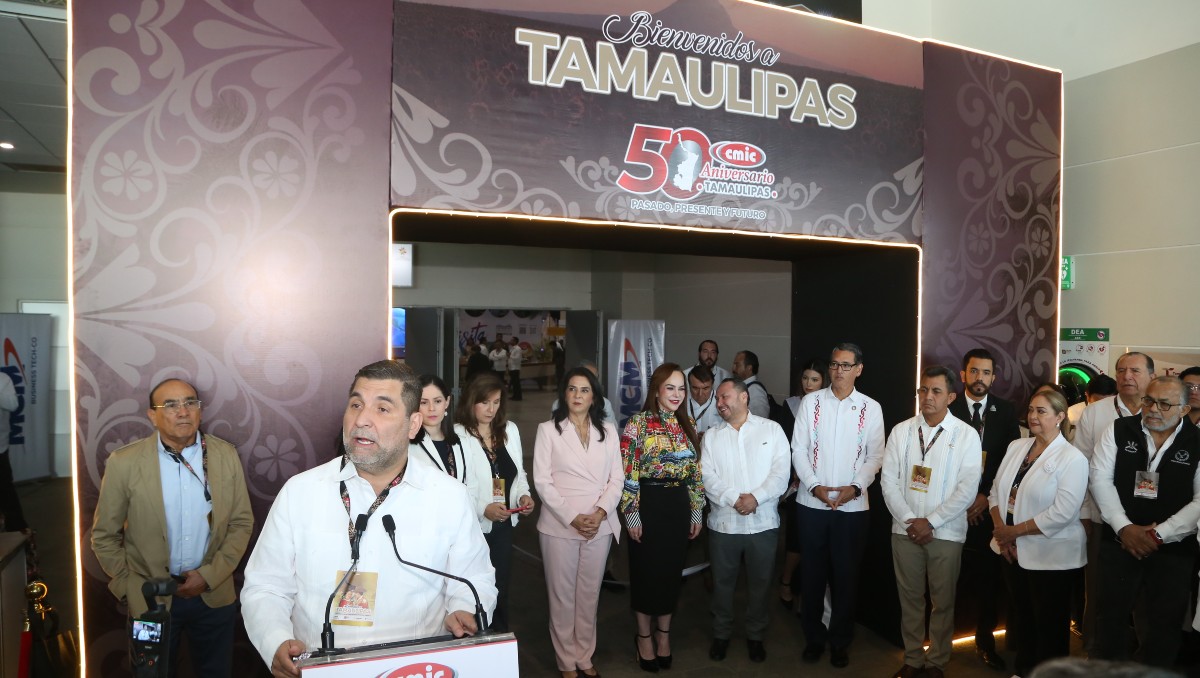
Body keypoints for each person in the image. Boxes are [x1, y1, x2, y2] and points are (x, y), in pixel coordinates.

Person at [242, 360, 496, 677]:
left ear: (413, 424)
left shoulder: (448, 496)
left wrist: (464, 609)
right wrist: (275, 640)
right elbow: (266, 588)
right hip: (319, 669)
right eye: (356, 404)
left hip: (414, 669)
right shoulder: (301, 493)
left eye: (382, 409)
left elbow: (475, 579)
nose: (362, 419)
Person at [92, 377, 253, 677]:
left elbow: (242, 523)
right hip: (150, 600)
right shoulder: (124, 463)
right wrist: (130, 586)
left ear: (200, 411)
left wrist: (208, 576)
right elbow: (103, 536)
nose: (183, 411)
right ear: (152, 415)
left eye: (190, 403)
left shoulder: (224, 455)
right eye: (170, 405)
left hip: (213, 595)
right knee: (150, 674)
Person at [1090, 376, 1199, 667]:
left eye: (1165, 404)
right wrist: (1124, 527)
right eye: (1148, 400)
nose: (1153, 409)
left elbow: (1199, 502)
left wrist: (1158, 535)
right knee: (1109, 619)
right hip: (1119, 543)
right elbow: (1099, 478)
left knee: (1163, 626)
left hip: (1173, 551)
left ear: (1184, 410)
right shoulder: (1118, 430)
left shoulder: (1197, 441)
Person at [880, 366, 982, 678]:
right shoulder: (902, 431)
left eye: (936, 391)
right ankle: (913, 658)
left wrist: (932, 522)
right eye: (923, 390)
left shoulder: (966, 435)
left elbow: (967, 489)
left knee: (943, 601)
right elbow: (888, 482)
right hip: (905, 530)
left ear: (951, 396)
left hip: (946, 533)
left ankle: (937, 661)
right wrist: (912, 521)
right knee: (910, 599)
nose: (927, 396)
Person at [791, 342, 885, 668]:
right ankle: (814, 639)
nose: (838, 371)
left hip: (852, 508)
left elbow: (876, 456)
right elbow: (798, 450)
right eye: (834, 365)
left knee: (846, 577)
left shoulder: (870, 408)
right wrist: (814, 486)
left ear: (859, 369)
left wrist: (855, 488)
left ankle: (840, 641)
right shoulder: (811, 402)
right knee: (813, 576)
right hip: (811, 504)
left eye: (846, 365)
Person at [989, 389, 1088, 677]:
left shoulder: (1073, 459)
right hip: (1011, 549)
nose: (1033, 416)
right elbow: (996, 492)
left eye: (1041, 411)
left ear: (1060, 417)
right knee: (1023, 618)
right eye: (1031, 409)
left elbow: (1062, 512)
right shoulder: (1016, 447)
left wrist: (1012, 533)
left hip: (1052, 555)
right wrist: (1001, 533)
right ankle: (1024, 669)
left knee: (1050, 625)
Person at [533, 367, 624, 678]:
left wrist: (599, 513)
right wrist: (573, 518)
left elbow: (617, 479)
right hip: (561, 524)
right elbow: (542, 482)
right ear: (564, 394)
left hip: (599, 523)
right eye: (571, 389)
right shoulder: (549, 430)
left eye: (584, 390)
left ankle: (584, 656)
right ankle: (565, 661)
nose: (577, 396)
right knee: (562, 597)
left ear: (594, 396)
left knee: (589, 594)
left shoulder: (609, 431)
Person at [620, 362, 705, 672]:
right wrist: (631, 515)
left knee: (671, 576)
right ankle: (643, 637)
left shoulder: (689, 424)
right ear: (656, 390)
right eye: (670, 387)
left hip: (678, 506)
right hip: (647, 505)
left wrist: (696, 510)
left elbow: (695, 473)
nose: (677, 394)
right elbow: (628, 474)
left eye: (681, 388)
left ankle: (664, 636)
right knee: (645, 575)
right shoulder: (637, 424)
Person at [702, 378, 789, 663]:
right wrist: (734, 498)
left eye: (724, 397)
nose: (719, 403)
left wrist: (755, 497)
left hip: (762, 524)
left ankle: (755, 635)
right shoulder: (712, 436)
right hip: (723, 525)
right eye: (717, 399)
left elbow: (781, 474)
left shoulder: (772, 430)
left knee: (761, 584)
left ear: (744, 398)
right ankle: (721, 634)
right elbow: (706, 476)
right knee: (722, 584)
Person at [1074, 352, 1155, 651]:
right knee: (1099, 593)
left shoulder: (1163, 412)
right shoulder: (1095, 413)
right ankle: (1095, 654)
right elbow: (1079, 466)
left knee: (1148, 597)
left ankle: (1148, 657)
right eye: (1121, 371)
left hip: (1151, 521)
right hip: (1102, 519)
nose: (1126, 376)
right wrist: (1083, 512)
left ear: (1150, 375)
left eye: (1135, 370)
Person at [948, 348, 1021, 671]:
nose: (980, 378)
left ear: (994, 376)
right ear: (963, 375)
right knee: (947, 580)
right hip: (950, 509)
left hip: (987, 509)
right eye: (974, 372)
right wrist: (963, 499)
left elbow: (1010, 462)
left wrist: (984, 495)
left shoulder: (1005, 411)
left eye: (986, 372)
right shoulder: (947, 406)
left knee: (989, 583)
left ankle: (985, 642)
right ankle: (939, 643)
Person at [457, 373, 534, 633]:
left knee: (499, 587)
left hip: (503, 525)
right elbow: (458, 484)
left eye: (496, 402)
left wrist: (524, 495)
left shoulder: (509, 430)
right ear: (471, 402)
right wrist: (483, 508)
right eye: (485, 402)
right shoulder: (459, 435)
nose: (491, 410)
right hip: (472, 527)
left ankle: (497, 641)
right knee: (470, 591)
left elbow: (519, 473)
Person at [780, 358, 828, 610]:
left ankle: (807, 594)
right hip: (797, 483)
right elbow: (786, 447)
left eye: (815, 379)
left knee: (818, 547)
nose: (808, 384)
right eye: (805, 378)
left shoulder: (832, 407)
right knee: (797, 541)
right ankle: (787, 583)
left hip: (827, 484)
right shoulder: (791, 407)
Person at [410, 375, 467, 484]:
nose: (432, 408)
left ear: (447, 402)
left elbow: (472, 487)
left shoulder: (463, 443)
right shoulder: (408, 447)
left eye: (437, 401)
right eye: (424, 402)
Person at [0, 370, 27, 533]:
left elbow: (13, 404)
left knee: (5, 491)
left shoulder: (3, 379)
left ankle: (18, 532)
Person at [686, 364, 723, 435]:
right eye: (695, 388)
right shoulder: (680, 401)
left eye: (705, 388)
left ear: (712, 385)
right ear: (689, 385)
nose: (700, 394)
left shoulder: (722, 401)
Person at [732, 350, 769, 419]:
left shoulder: (755, 390)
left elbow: (761, 419)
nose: (733, 368)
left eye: (737, 365)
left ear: (749, 368)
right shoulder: (744, 387)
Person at [507, 337, 524, 401]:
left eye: (512, 340)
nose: (510, 341)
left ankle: (518, 397)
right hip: (511, 368)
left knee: (516, 383)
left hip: (515, 368)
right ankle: (515, 395)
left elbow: (517, 358)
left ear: (515, 341)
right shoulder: (512, 348)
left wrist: (510, 355)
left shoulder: (518, 349)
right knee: (514, 383)